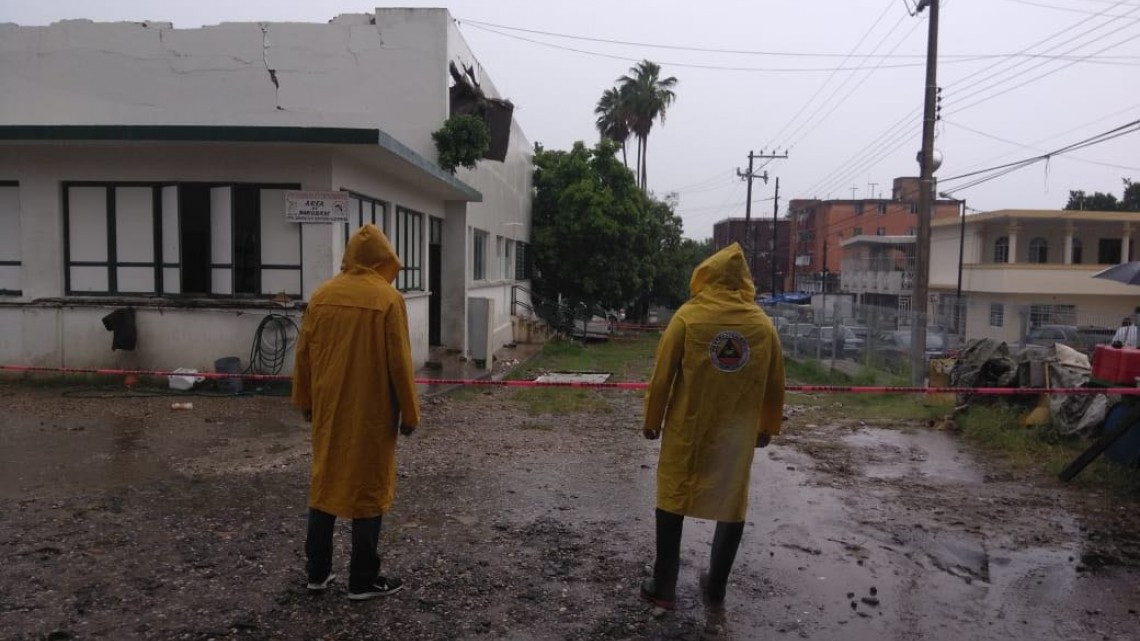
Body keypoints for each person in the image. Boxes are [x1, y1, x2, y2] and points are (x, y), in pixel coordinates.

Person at [640, 242, 785, 610]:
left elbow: (662, 376)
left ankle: (664, 586)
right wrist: (767, 425)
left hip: (689, 430)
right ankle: (716, 586)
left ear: (706, 275)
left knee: (674, 493)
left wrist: (653, 419)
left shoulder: (688, 316)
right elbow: (774, 382)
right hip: (736, 436)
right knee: (731, 501)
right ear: (744, 281)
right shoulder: (762, 325)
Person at [292, 224, 421, 601]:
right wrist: (410, 414)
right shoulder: (387, 300)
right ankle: (363, 580)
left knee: (325, 485)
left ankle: (317, 573)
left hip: (329, 410)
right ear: (384, 260)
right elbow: (399, 363)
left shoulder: (321, 296)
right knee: (368, 489)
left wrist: (304, 401)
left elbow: (303, 356)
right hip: (372, 411)